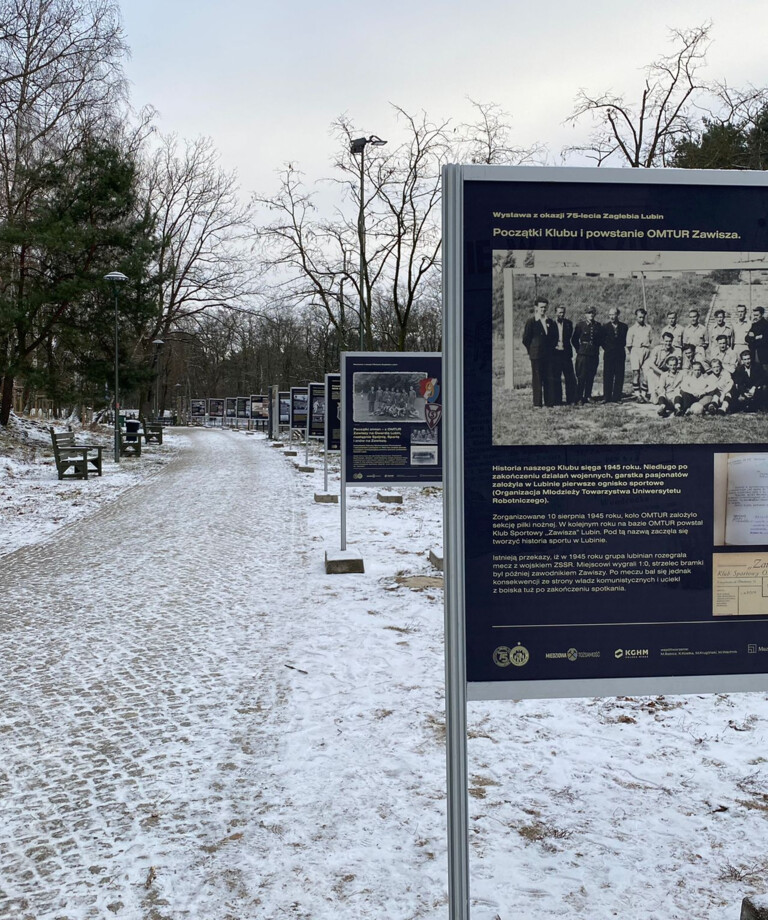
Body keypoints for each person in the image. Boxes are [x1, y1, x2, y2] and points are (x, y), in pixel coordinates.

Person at [522, 297, 555, 407]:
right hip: (536, 355)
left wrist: (550, 349)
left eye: (545, 307)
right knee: (537, 379)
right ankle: (537, 403)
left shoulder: (549, 321)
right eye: (541, 307)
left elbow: (554, 337)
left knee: (548, 377)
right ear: (536, 308)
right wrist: (532, 350)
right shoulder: (531, 322)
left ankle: (549, 402)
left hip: (548, 355)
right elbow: (526, 339)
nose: (543, 309)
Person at [572, 306, 602, 404]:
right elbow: (574, 340)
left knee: (591, 375)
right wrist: (579, 350)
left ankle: (588, 396)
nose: (591, 315)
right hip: (583, 354)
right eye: (589, 313)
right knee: (581, 376)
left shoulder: (598, 325)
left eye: (592, 313)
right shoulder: (580, 325)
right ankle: (579, 397)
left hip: (593, 354)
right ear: (585, 315)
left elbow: (599, 340)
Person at [550, 304, 577, 405]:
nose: (562, 314)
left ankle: (571, 399)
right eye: (560, 312)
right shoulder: (551, 323)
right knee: (556, 377)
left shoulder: (568, 323)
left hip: (566, 353)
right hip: (555, 354)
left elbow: (569, 337)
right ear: (555, 313)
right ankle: (558, 400)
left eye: (563, 312)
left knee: (570, 377)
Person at [601, 307, 628, 403]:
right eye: (610, 315)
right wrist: (608, 349)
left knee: (619, 375)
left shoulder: (624, 327)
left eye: (614, 314)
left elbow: (625, 341)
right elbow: (602, 341)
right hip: (609, 354)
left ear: (618, 315)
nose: (612, 317)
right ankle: (606, 397)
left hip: (620, 354)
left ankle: (617, 397)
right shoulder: (605, 327)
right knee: (608, 375)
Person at [626, 308, 652, 400]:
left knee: (647, 373)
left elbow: (651, 340)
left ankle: (644, 394)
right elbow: (628, 344)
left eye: (643, 317)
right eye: (640, 317)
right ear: (636, 317)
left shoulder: (648, 327)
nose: (641, 319)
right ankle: (638, 394)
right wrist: (633, 353)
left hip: (646, 351)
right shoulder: (632, 329)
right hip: (635, 350)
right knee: (636, 373)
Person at [645, 332, 677, 404]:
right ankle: (652, 393)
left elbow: (674, 365)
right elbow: (651, 364)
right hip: (654, 369)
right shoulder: (657, 349)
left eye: (670, 341)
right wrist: (662, 373)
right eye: (666, 341)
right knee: (650, 374)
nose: (668, 343)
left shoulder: (674, 351)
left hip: (664, 371)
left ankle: (660, 394)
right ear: (663, 341)